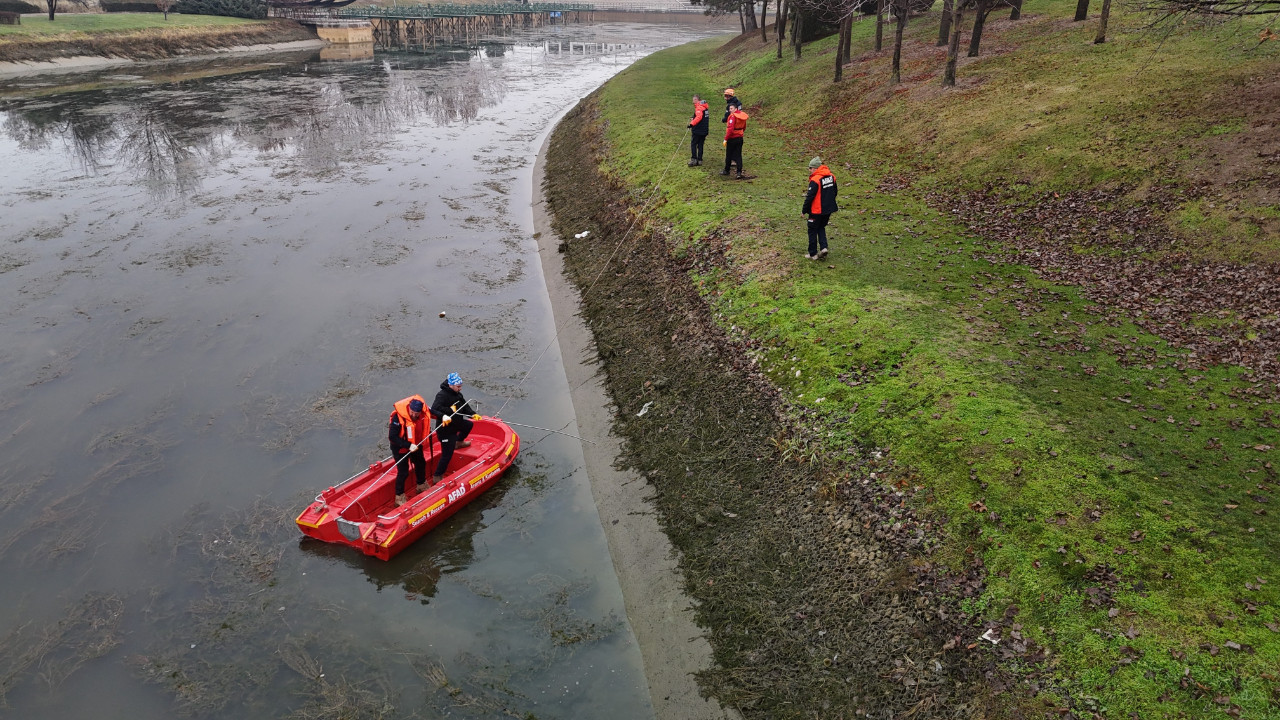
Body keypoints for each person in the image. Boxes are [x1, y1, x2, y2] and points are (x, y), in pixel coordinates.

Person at [430, 372, 481, 486]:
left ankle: (458, 442)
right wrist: (449, 411)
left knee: (468, 425)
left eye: (461, 386)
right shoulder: (442, 395)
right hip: (445, 429)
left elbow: (464, 406)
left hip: (456, 423)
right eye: (458, 386)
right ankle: (437, 476)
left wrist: (472, 414)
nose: (460, 388)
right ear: (451, 385)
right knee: (447, 454)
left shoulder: (458, 394)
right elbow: (434, 410)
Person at [388, 395, 430, 506]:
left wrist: (444, 416)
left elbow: (433, 412)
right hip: (401, 448)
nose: (414, 415)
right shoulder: (398, 418)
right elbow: (393, 436)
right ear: (409, 409)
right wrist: (407, 445)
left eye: (417, 414)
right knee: (403, 472)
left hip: (416, 444)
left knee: (421, 463)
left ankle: (421, 485)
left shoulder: (423, 412)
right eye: (412, 412)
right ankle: (399, 496)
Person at [802, 156, 839, 260]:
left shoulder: (815, 180)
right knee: (821, 227)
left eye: (810, 168)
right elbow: (834, 192)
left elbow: (809, 197)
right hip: (828, 209)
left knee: (812, 230)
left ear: (815, 168)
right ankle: (823, 248)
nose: (809, 170)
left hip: (816, 210)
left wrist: (804, 210)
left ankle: (812, 254)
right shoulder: (832, 176)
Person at [722, 105, 749, 179]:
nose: (730, 110)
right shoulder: (742, 116)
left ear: (736, 109)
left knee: (729, 155)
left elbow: (730, 129)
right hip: (740, 138)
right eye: (730, 108)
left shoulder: (733, 117)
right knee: (738, 155)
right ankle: (739, 172)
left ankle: (727, 170)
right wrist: (740, 132)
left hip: (732, 138)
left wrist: (726, 139)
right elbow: (744, 127)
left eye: (731, 108)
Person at [687, 95, 710, 167]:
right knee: (700, 144)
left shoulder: (699, 108)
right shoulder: (705, 108)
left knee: (694, 143)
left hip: (698, 130)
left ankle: (694, 159)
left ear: (696, 100)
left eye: (693, 100)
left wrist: (691, 124)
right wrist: (694, 117)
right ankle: (700, 159)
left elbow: (699, 117)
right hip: (704, 130)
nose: (692, 101)